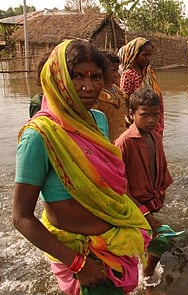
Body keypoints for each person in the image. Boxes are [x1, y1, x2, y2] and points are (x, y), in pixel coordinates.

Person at [12, 39, 151, 295]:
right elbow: (21, 217)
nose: (89, 87)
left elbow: (109, 186)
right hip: (78, 256)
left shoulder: (97, 120)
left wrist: (145, 215)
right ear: (58, 78)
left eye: (96, 76)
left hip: (115, 242)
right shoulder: (39, 135)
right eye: (77, 76)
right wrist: (79, 264)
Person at [114, 88, 173, 284]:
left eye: (155, 114)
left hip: (150, 201)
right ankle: (145, 277)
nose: (151, 120)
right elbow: (117, 184)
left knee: (158, 240)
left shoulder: (155, 137)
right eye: (144, 115)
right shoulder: (123, 143)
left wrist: (161, 192)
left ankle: (145, 274)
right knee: (144, 243)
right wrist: (144, 213)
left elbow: (161, 167)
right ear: (131, 114)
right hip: (133, 205)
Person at [119, 37, 164, 134]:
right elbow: (125, 101)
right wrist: (132, 122)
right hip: (140, 121)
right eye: (144, 55)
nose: (148, 58)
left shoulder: (148, 72)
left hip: (153, 118)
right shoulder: (128, 74)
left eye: (150, 55)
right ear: (134, 54)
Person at [94, 51, 128, 142]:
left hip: (123, 140)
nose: (116, 74)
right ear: (102, 71)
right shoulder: (96, 96)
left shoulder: (117, 91)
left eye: (117, 70)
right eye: (113, 70)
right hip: (108, 143)